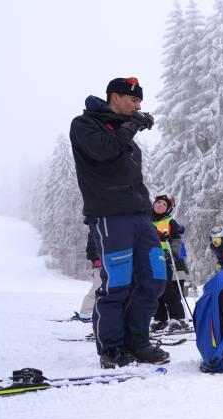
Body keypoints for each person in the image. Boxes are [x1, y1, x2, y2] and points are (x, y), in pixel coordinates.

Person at [69, 76, 169, 368]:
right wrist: (132, 125)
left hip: (140, 218)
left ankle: (137, 341)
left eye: (140, 101)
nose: (138, 106)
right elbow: (103, 150)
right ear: (115, 96)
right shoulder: (85, 125)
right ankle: (111, 347)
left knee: (154, 279)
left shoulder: (125, 135)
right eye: (133, 99)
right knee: (117, 283)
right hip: (110, 216)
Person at [150, 195, 188, 332]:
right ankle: (160, 318)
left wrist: (173, 254)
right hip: (147, 258)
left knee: (166, 288)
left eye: (164, 205)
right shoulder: (146, 219)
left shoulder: (170, 222)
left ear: (168, 209)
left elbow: (177, 241)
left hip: (163, 257)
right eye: (158, 202)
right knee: (154, 290)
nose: (160, 205)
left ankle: (178, 317)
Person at [75, 233, 101, 322]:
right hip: (100, 266)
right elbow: (90, 251)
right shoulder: (96, 230)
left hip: (112, 264)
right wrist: (97, 260)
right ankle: (86, 312)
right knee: (98, 287)